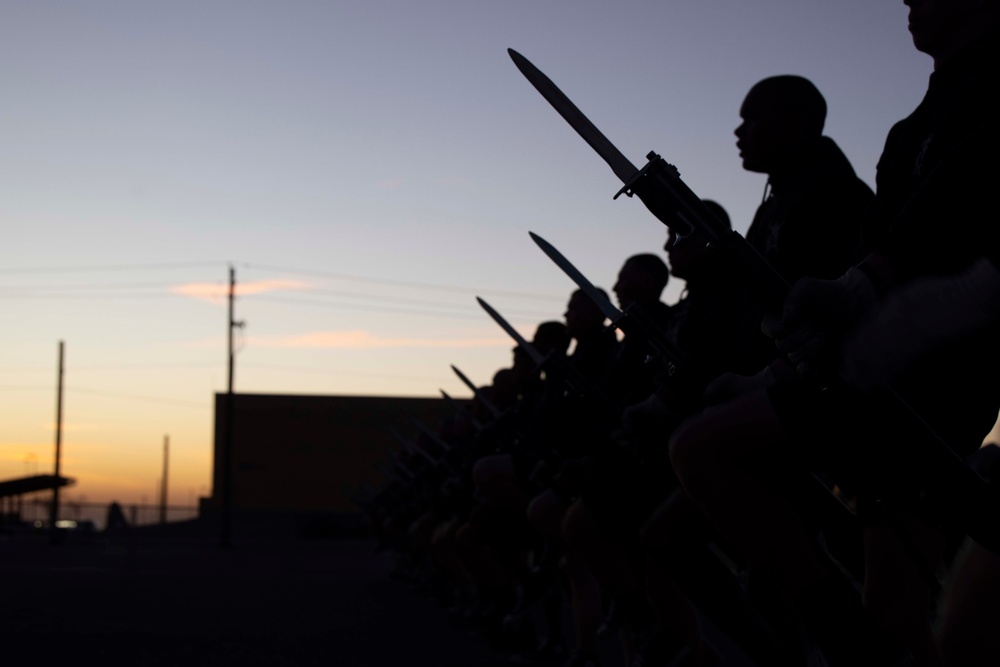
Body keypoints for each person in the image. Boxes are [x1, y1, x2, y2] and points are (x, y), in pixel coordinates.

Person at [670, 1, 1000, 664]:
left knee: (702, 454)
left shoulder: (990, 98)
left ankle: (840, 634)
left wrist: (871, 282)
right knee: (900, 610)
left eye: (754, 116)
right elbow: (858, 273)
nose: (908, 2)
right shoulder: (910, 131)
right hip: (886, 377)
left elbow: (963, 196)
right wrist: (774, 372)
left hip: (944, 378)